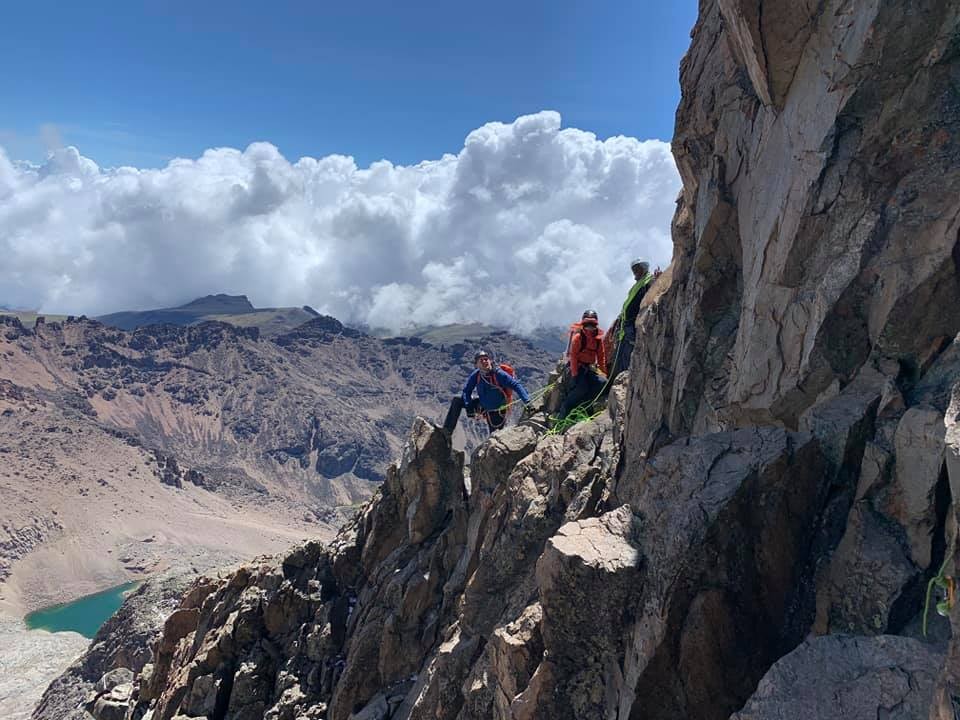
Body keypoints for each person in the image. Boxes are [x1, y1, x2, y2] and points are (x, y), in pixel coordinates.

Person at [443, 350, 531, 434]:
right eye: (481, 360)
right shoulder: (476, 375)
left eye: (486, 359)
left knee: (494, 436)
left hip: (497, 411)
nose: (485, 361)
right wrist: (468, 405)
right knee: (457, 400)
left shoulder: (498, 374)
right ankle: (447, 432)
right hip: (483, 406)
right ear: (476, 365)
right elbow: (467, 391)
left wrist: (527, 401)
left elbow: (516, 385)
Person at [611, 259, 658, 379]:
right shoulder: (638, 285)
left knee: (627, 355)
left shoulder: (649, 281)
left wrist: (658, 279)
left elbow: (654, 292)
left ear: (644, 268)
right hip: (626, 326)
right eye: (634, 269)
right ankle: (618, 380)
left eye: (638, 268)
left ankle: (624, 380)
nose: (635, 272)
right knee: (621, 355)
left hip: (632, 326)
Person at [558, 310, 607, 420]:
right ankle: (566, 407)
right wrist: (575, 375)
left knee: (602, 383)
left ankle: (585, 405)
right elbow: (574, 357)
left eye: (592, 325)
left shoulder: (598, 340)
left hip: (588, 367)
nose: (590, 327)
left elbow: (601, 357)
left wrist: (604, 373)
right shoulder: (578, 338)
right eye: (587, 324)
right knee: (581, 387)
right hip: (577, 366)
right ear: (583, 325)